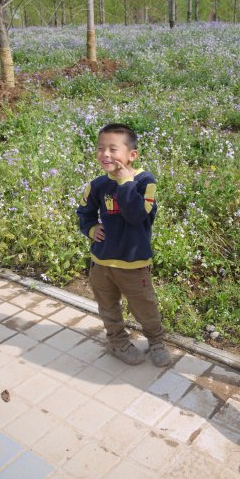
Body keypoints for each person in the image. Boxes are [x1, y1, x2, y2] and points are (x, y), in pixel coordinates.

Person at [76, 123, 170, 367]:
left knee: (145, 306)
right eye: (100, 148)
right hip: (102, 262)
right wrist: (91, 228)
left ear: (132, 155)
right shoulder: (97, 185)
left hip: (133, 262)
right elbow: (84, 212)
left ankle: (156, 340)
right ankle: (117, 342)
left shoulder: (144, 182)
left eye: (113, 149)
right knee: (108, 308)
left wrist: (125, 183)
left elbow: (137, 215)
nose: (105, 154)